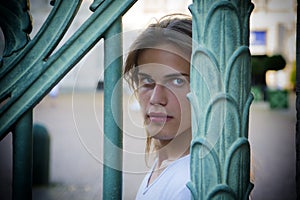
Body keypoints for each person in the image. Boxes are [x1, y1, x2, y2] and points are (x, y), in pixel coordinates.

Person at [124, 14, 193, 200]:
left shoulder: (189, 186)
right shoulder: (167, 165)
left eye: (177, 81)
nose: (156, 99)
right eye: (147, 80)